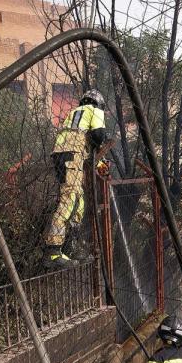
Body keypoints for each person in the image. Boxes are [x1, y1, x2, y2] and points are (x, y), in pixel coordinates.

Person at [43, 89, 111, 268]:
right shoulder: (95, 111)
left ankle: (71, 246)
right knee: (70, 199)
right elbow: (98, 136)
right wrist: (102, 143)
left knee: (78, 201)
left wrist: (99, 163)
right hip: (71, 156)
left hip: (62, 156)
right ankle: (53, 251)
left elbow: (84, 148)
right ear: (98, 104)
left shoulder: (74, 115)